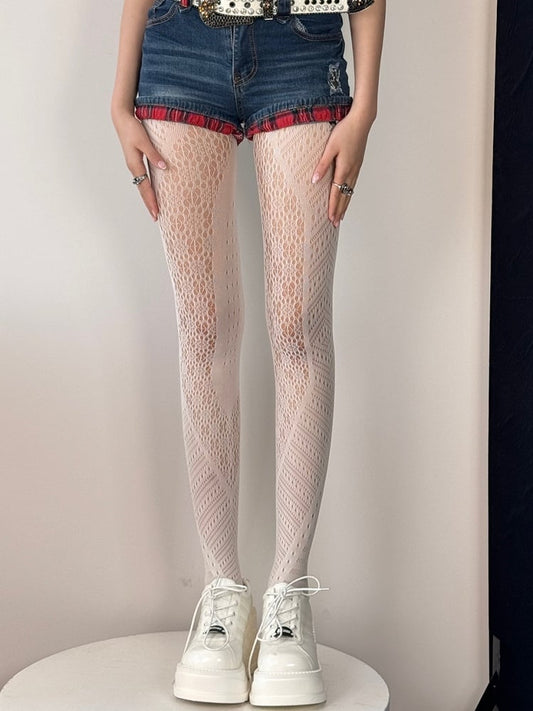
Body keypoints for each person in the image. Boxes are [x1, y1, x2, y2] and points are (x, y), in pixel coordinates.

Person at [111, 0, 385, 705]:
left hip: (302, 44)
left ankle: (289, 594)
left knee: (298, 325)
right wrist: (118, 96)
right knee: (204, 328)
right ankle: (222, 591)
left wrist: (366, 106)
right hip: (177, 43)